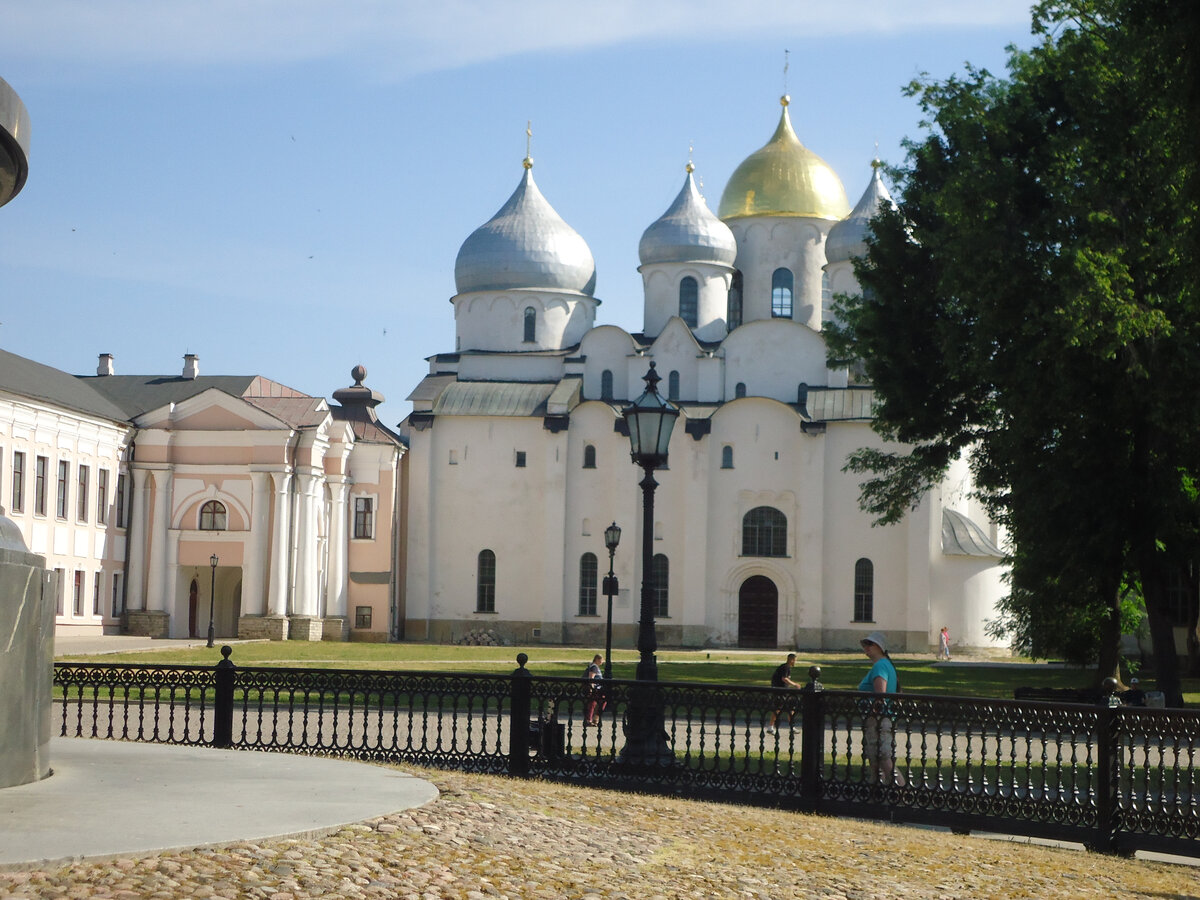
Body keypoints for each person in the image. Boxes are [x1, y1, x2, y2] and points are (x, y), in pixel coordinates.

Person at [858, 631, 905, 786]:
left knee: (884, 759)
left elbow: (880, 695)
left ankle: (901, 791)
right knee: (877, 760)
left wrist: (873, 712)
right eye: (865, 644)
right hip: (882, 719)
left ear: (880, 647)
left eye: (870, 644)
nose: (866, 647)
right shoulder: (885, 664)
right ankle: (880, 793)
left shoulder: (880, 666)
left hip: (878, 720)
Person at [766, 652, 802, 734]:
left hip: (783, 691)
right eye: (795, 660)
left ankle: (790, 727)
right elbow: (784, 679)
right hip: (780, 692)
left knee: (789, 709)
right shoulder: (786, 667)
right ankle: (771, 727)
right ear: (791, 660)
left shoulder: (785, 667)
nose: (795, 662)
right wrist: (795, 684)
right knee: (779, 709)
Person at [583, 654, 604, 725]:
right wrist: (591, 688)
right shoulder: (594, 667)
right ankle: (593, 719)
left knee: (593, 703)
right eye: (601, 660)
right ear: (597, 659)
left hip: (596, 689)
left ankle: (591, 719)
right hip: (596, 689)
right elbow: (591, 678)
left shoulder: (592, 666)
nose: (602, 661)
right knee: (598, 702)